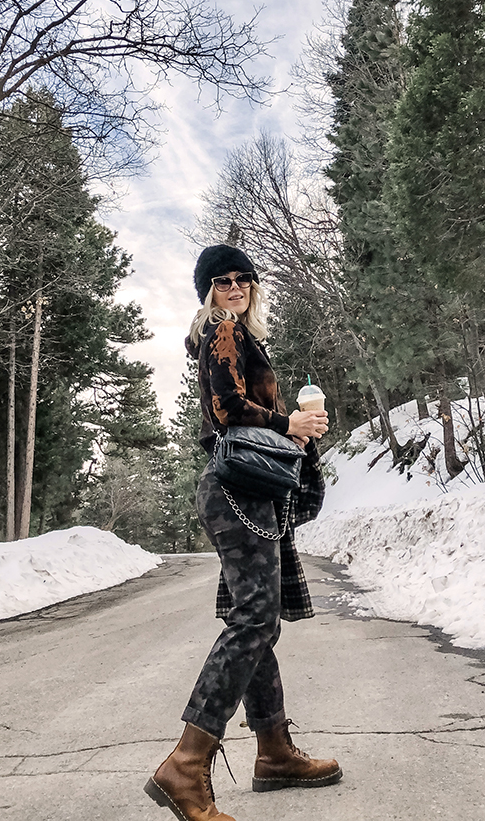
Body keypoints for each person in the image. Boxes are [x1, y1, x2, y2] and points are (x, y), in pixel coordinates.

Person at [145, 244, 342, 821]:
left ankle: (275, 752)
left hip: (252, 490)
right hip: (236, 491)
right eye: (224, 280)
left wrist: (299, 431)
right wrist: (288, 422)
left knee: (261, 622)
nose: (236, 287)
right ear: (209, 291)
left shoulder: (241, 334)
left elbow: (250, 416)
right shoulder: (221, 332)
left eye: (244, 278)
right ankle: (186, 763)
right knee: (254, 619)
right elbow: (227, 407)